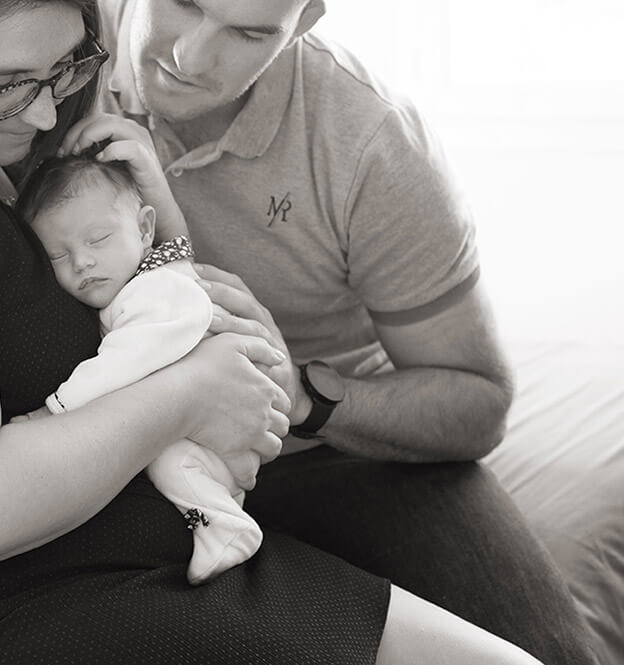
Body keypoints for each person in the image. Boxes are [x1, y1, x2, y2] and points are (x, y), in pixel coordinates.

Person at [0, 0, 548, 663]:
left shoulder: (357, 140)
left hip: (293, 459)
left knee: (539, 641)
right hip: (61, 566)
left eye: (247, 29)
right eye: (13, 87)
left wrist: (290, 389)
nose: (48, 117)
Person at [63, 0, 596, 663]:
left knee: (547, 654)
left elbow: (478, 401)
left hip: (327, 456)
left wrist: (306, 396)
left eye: (250, 31)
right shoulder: (47, 59)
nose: (190, 57)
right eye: (185, 3)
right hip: (103, 456)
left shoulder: (369, 139)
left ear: (307, 19)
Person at [14, 149, 263, 584]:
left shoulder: (159, 287)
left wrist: (56, 409)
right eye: (57, 255)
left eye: (98, 239)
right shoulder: (134, 287)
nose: (82, 262)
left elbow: (127, 362)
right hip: (204, 424)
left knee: (167, 461)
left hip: (214, 436)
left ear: (145, 228)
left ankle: (226, 527)